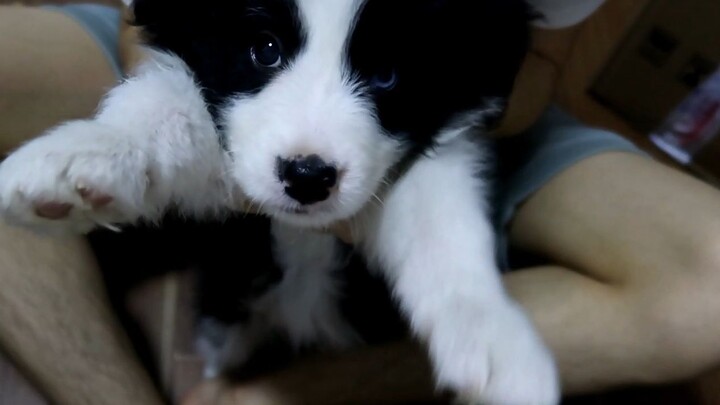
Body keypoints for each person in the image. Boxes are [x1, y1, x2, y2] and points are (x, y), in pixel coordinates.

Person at [2, 1, 720, 405]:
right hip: (201, 62)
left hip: (431, 110)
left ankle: (280, 397)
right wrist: (138, 138)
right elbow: (153, 26)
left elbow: (519, 78)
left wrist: (410, 151)